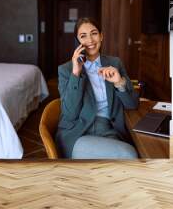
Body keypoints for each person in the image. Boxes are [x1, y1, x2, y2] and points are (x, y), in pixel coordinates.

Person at [56, 17, 139, 159]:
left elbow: (132, 104)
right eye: (83, 36)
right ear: (77, 41)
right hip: (79, 133)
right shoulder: (66, 69)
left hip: (109, 129)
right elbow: (69, 113)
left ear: (101, 36)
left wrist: (119, 82)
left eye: (94, 33)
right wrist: (76, 73)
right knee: (128, 155)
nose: (90, 40)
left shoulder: (115, 63)